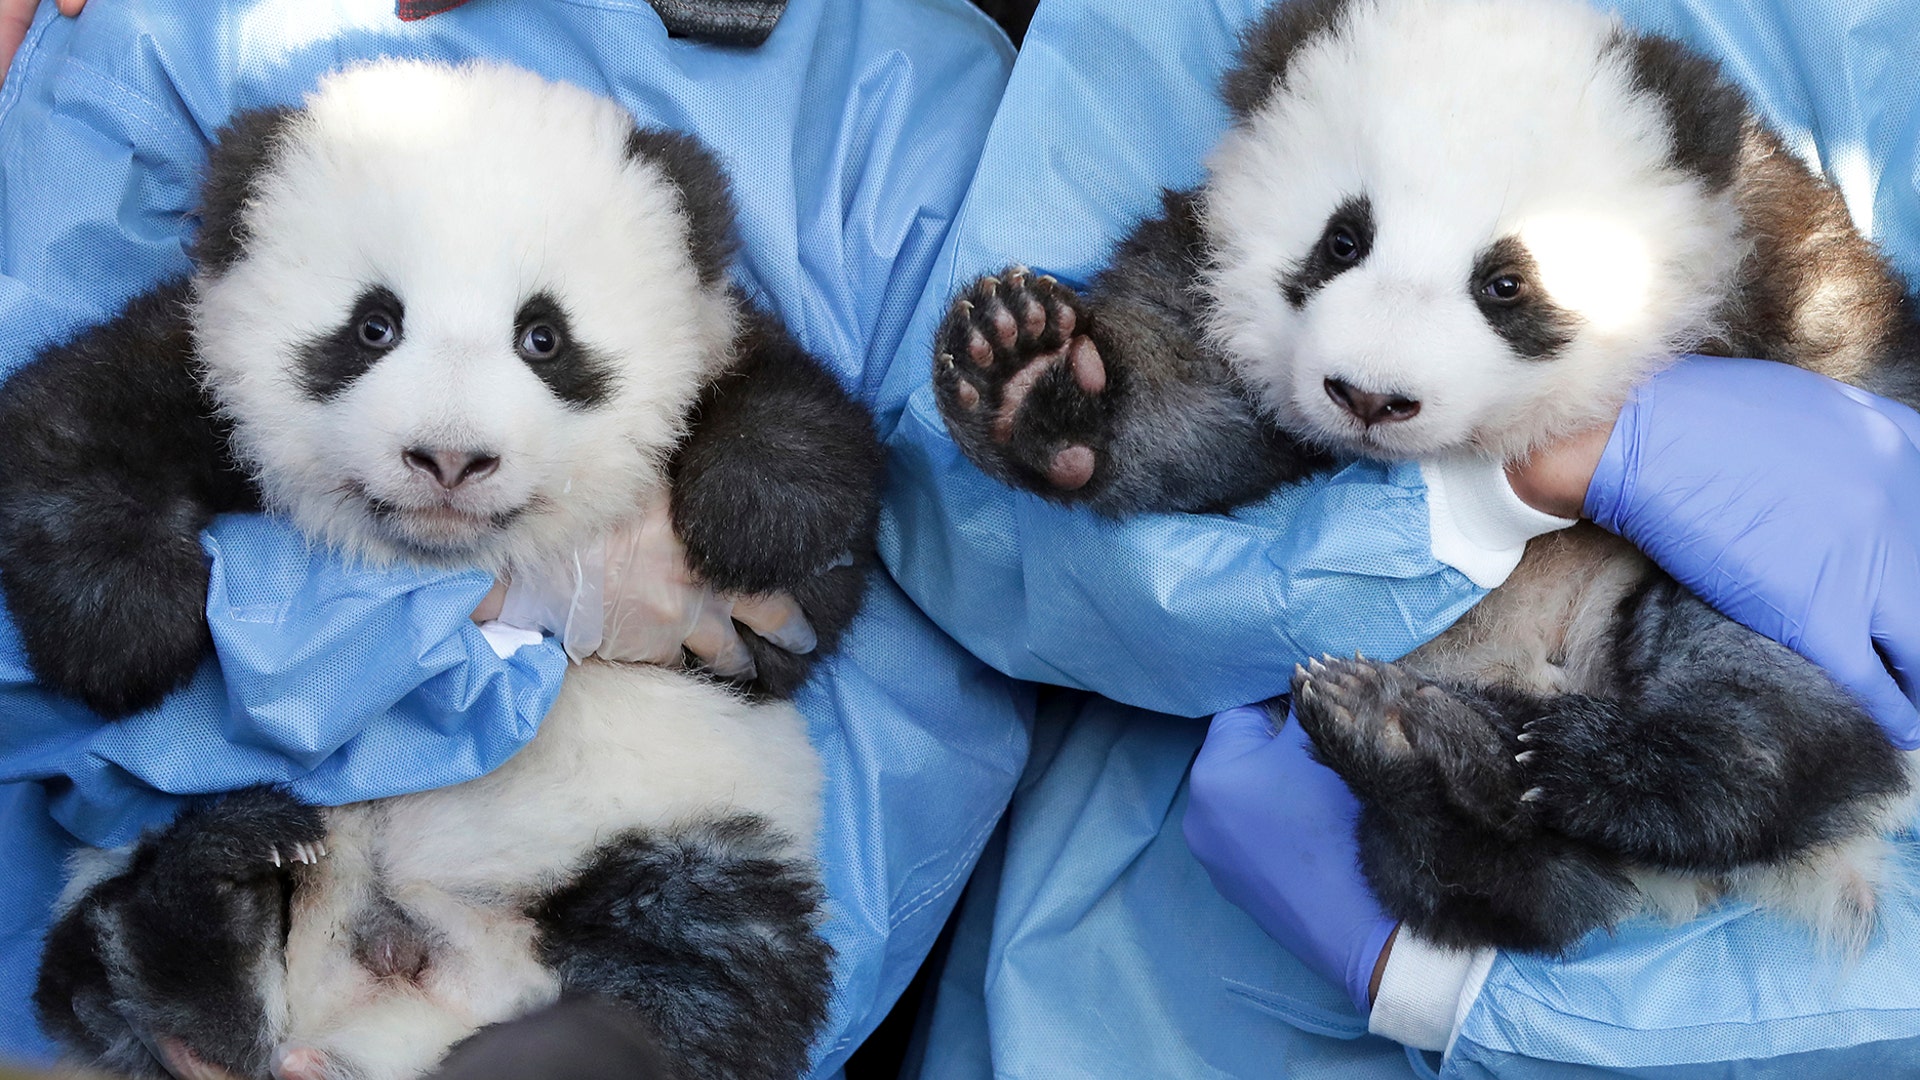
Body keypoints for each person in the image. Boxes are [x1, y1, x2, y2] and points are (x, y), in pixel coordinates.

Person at [888, 0, 1920, 1075]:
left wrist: (1462, 1002)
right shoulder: (1254, 72)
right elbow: (974, 553)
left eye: (1506, 285)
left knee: (1742, 712)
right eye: (1344, 245)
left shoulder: (1781, 181)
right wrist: (1486, 502)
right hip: (1140, 978)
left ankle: (1519, 835)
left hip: (1697, 801)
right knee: (1162, 393)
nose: (1381, 360)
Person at [0, 0, 1023, 1071]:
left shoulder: (897, 90)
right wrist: (492, 599)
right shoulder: (176, 32)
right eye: (375, 330)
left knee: (702, 971)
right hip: (281, 893)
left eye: (542, 341)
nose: (450, 437)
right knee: (161, 913)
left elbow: (917, 672)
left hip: (592, 893)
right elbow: (60, 620)